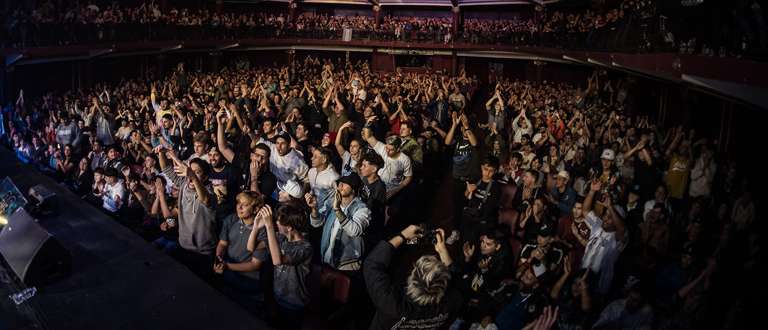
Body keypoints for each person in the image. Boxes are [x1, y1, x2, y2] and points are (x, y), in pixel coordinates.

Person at [364, 225, 466, 330]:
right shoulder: (450, 302)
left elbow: (372, 264)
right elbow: (458, 279)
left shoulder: (390, 301)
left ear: (413, 273)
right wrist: (443, 251)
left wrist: (402, 236)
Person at [156, 145, 218, 284]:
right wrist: (161, 153)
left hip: (203, 253)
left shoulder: (211, 194)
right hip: (183, 246)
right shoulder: (184, 184)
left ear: (205, 177)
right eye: (190, 171)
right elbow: (166, 169)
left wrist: (194, 178)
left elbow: (205, 200)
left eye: (196, 172)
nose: (191, 175)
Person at [259, 204, 312, 330]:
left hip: (294, 302)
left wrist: (269, 226)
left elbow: (277, 260)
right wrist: (256, 227)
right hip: (279, 295)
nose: (276, 223)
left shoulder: (304, 247)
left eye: (279, 222)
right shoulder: (281, 237)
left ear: (289, 227)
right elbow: (251, 246)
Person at [215, 191, 269, 312]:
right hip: (230, 281)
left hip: (249, 287)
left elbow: (256, 264)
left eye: (245, 205)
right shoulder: (231, 219)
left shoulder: (263, 230)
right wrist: (218, 258)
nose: (239, 207)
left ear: (255, 210)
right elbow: (222, 243)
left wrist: (227, 266)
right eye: (239, 202)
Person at [307, 174, 371, 271]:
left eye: (344, 183)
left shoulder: (362, 209)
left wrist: (337, 209)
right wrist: (315, 208)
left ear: (353, 188)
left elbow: (354, 230)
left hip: (347, 264)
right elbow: (316, 223)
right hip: (327, 259)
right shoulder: (331, 202)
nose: (340, 185)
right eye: (339, 183)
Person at [580, 174, 628, 296]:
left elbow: (622, 228)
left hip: (598, 288)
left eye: (609, 216)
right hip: (581, 278)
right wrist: (591, 191)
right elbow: (585, 210)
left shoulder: (617, 239)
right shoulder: (598, 225)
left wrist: (610, 207)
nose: (605, 218)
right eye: (606, 214)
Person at [454, 228, 514, 296]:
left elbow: (493, 285)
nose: (483, 246)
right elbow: (466, 270)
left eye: (488, 244)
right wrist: (468, 258)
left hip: (484, 291)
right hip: (470, 280)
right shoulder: (480, 247)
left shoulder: (504, 259)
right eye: (483, 241)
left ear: (497, 247)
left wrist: (485, 271)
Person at [463, 156, 502, 244]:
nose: (487, 173)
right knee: (467, 246)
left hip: (485, 223)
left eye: (491, 171)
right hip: (471, 220)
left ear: (496, 171)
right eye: (485, 169)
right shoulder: (476, 180)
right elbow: (464, 199)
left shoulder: (496, 187)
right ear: (482, 167)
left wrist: (472, 200)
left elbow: (488, 209)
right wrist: (467, 191)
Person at [551, 259, 594, 330]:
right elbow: (554, 295)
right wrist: (566, 274)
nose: (576, 287)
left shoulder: (589, 299)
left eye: (580, 284)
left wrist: (584, 284)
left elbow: (586, 307)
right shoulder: (568, 292)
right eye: (575, 283)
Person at [208, 146, 241, 220]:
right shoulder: (207, 170)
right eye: (210, 155)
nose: (212, 158)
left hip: (228, 215)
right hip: (210, 214)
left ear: (222, 156)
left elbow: (239, 192)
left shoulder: (232, 171)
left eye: (216, 155)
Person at [358, 152, 387, 237]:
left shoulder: (379, 187)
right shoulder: (365, 178)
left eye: (364, 166)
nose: (361, 168)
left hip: (372, 226)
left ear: (374, 169)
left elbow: (369, 208)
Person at [308, 146, 341, 213]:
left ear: (324, 160)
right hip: (313, 211)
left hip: (327, 212)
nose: (312, 158)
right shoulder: (311, 171)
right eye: (312, 156)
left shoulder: (334, 177)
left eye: (315, 157)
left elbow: (340, 196)